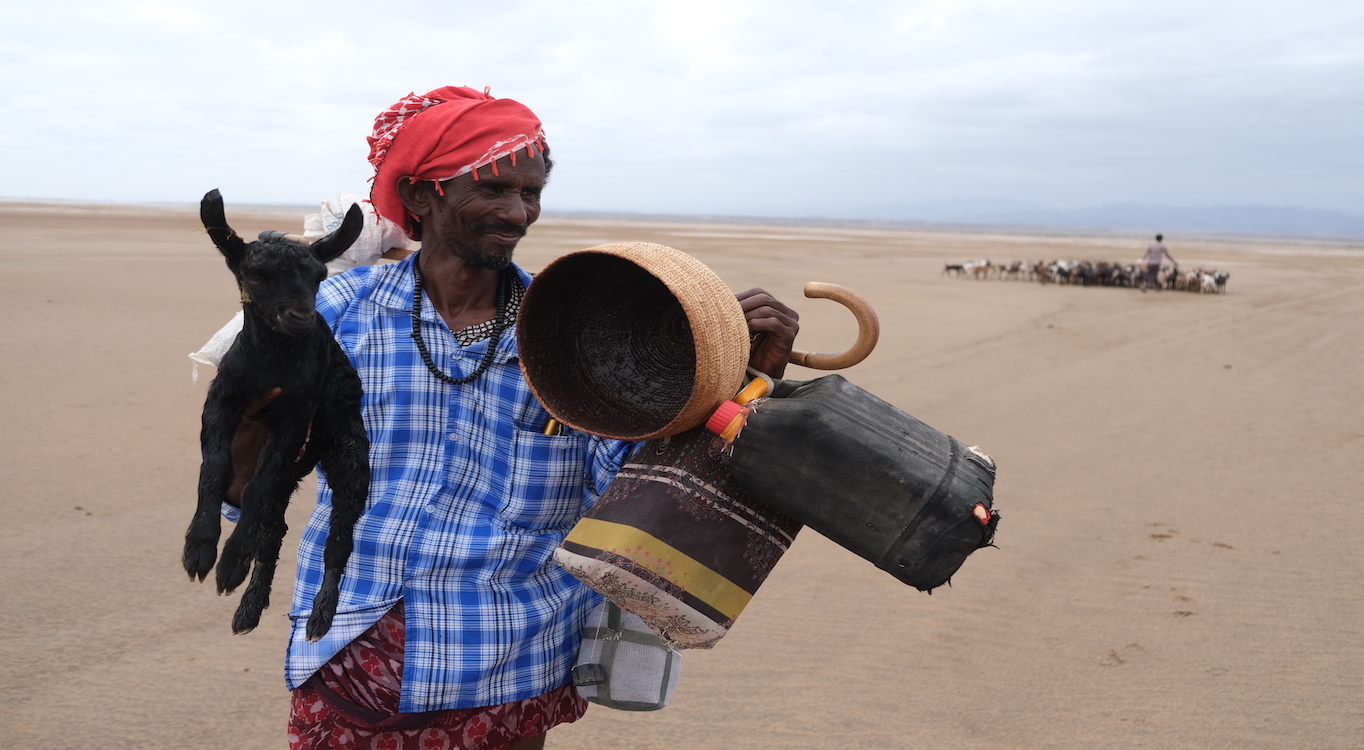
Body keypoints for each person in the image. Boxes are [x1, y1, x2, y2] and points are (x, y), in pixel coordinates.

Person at [224, 86, 800, 750]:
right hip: (350, 647)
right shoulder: (337, 313)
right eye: (494, 189)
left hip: (509, 659)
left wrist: (745, 377)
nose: (517, 211)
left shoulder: (574, 338)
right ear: (420, 196)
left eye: (530, 193)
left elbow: (638, 487)